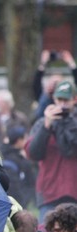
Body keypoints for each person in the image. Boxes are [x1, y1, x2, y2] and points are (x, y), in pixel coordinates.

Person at [25, 79, 77, 223]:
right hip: (50, 193)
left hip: (74, 191)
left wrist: (66, 123)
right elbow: (32, 153)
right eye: (59, 99)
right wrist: (46, 126)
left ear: (74, 99)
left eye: (66, 100)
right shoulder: (42, 123)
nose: (62, 104)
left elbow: (70, 150)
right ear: (53, 99)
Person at [0, 126, 38, 209]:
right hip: (18, 202)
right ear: (19, 141)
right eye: (25, 138)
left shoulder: (5, 153)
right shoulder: (15, 160)